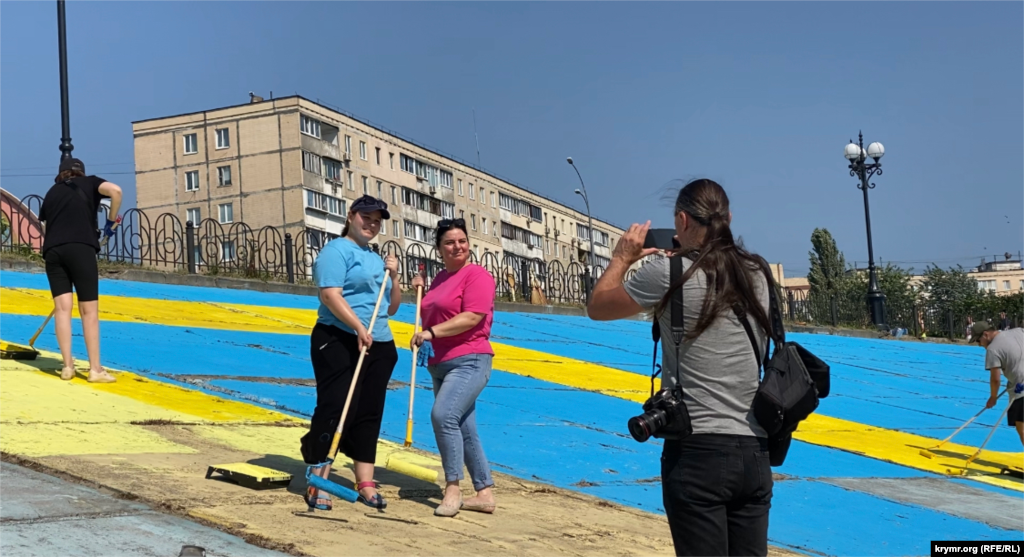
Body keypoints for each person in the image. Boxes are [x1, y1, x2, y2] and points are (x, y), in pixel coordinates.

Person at [586, 179, 774, 557]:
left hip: (698, 450)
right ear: (729, 218)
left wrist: (623, 257)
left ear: (683, 221)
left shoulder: (669, 273)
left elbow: (598, 306)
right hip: (754, 450)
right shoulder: (758, 273)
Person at [300, 195, 401, 511]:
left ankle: (365, 481)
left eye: (377, 221)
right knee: (337, 406)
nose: (371, 225)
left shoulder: (375, 258)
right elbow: (330, 295)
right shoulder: (335, 251)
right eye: (366, 218)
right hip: (339, 338)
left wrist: (395, 278)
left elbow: (392, 307)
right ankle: (319, 476)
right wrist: (358, 327)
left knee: (368, 411)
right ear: (351, 216)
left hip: (378, 343)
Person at [410, 217, 497, 517]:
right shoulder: (438, 280)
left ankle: (453, 488)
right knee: (464, 425)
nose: (457, 246)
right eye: (449, 242)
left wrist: (430, 333)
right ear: (439, 249)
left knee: (443, 415)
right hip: (439, 363)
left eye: (461, 241)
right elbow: (432, 314)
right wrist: (420, 294)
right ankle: (484, 492)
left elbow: (472, 316)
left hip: (470, 358)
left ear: (469, 245)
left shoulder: (478, 276)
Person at [37, 158, 122, 383]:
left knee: (62, 309)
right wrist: (111, 222)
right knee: (88, 311)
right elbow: (116, 191)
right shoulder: (91, 183)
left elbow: (45, 224)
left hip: (53, 252)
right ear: (81, 173)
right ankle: (95, 369)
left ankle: (67, 367)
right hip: (80, 248)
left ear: (61, 174)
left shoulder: (52, 192)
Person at [971, 321, 1024, 449]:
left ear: (985, 334)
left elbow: (995, 379)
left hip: (1021, 390)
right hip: (1018, 385)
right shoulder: (1018, 331)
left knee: (1021, 426)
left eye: (978, 341)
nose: (979, 345)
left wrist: (993, 397)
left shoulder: (992, 349)